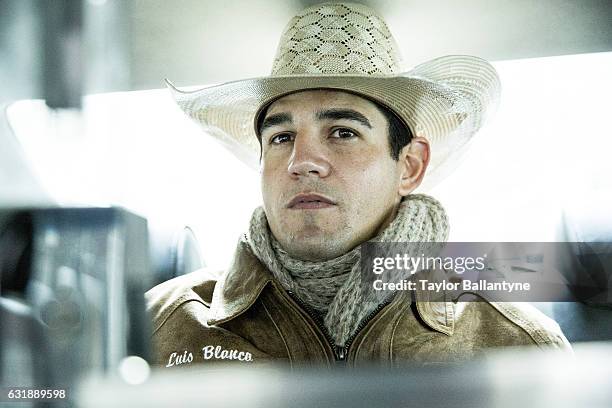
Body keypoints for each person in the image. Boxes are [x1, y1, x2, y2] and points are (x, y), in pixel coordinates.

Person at [146, 2, 570, 367]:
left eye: (343, 132)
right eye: (281, 137)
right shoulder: (156, 331)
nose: (302, 162)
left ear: (410, 166)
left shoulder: (519, 345)